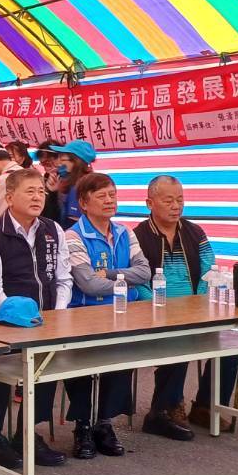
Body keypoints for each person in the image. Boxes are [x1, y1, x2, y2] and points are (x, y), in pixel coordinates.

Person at [0, 168, 70, 467]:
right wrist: (14, 314)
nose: (38, 197)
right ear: (9, 197)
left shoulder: (53, 230)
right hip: (3, 323)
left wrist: (58, 314)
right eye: (30, 191)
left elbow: (63, 277)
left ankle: (28, 434)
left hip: (46, 320)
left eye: (41, 191)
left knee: (43, 376)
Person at [133, 174, 238, 438]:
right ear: (149, 203)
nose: (176, 206)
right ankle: (166, 408)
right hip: (154, 312)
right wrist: (157, 306)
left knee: (232, 346)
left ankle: (206, 406)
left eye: (180, 200)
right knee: (179, 339)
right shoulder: (138, 236)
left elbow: (209, 269)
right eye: (168, 200)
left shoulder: (194, 232)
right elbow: (137, 279)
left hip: (194, 311)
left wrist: (197, 303)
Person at [63, 172, 150, 459]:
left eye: (112, 195)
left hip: (122, 313)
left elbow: (145, 272)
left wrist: (109, 274)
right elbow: (87, 283)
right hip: (85, 314)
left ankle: (104, 424)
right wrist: (126, 284)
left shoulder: (126, 232)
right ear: (83, 203)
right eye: (101, 196)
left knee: (121, 362)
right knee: (82, 367)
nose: (109, 200)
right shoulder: (73, 236)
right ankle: (82, 427)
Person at [49, 139, 97, 228]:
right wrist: (54, 192)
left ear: (75, 161)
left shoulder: (80, 185)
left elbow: (73, 221)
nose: (59, 163)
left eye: (63, 159)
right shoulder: (82, 180)